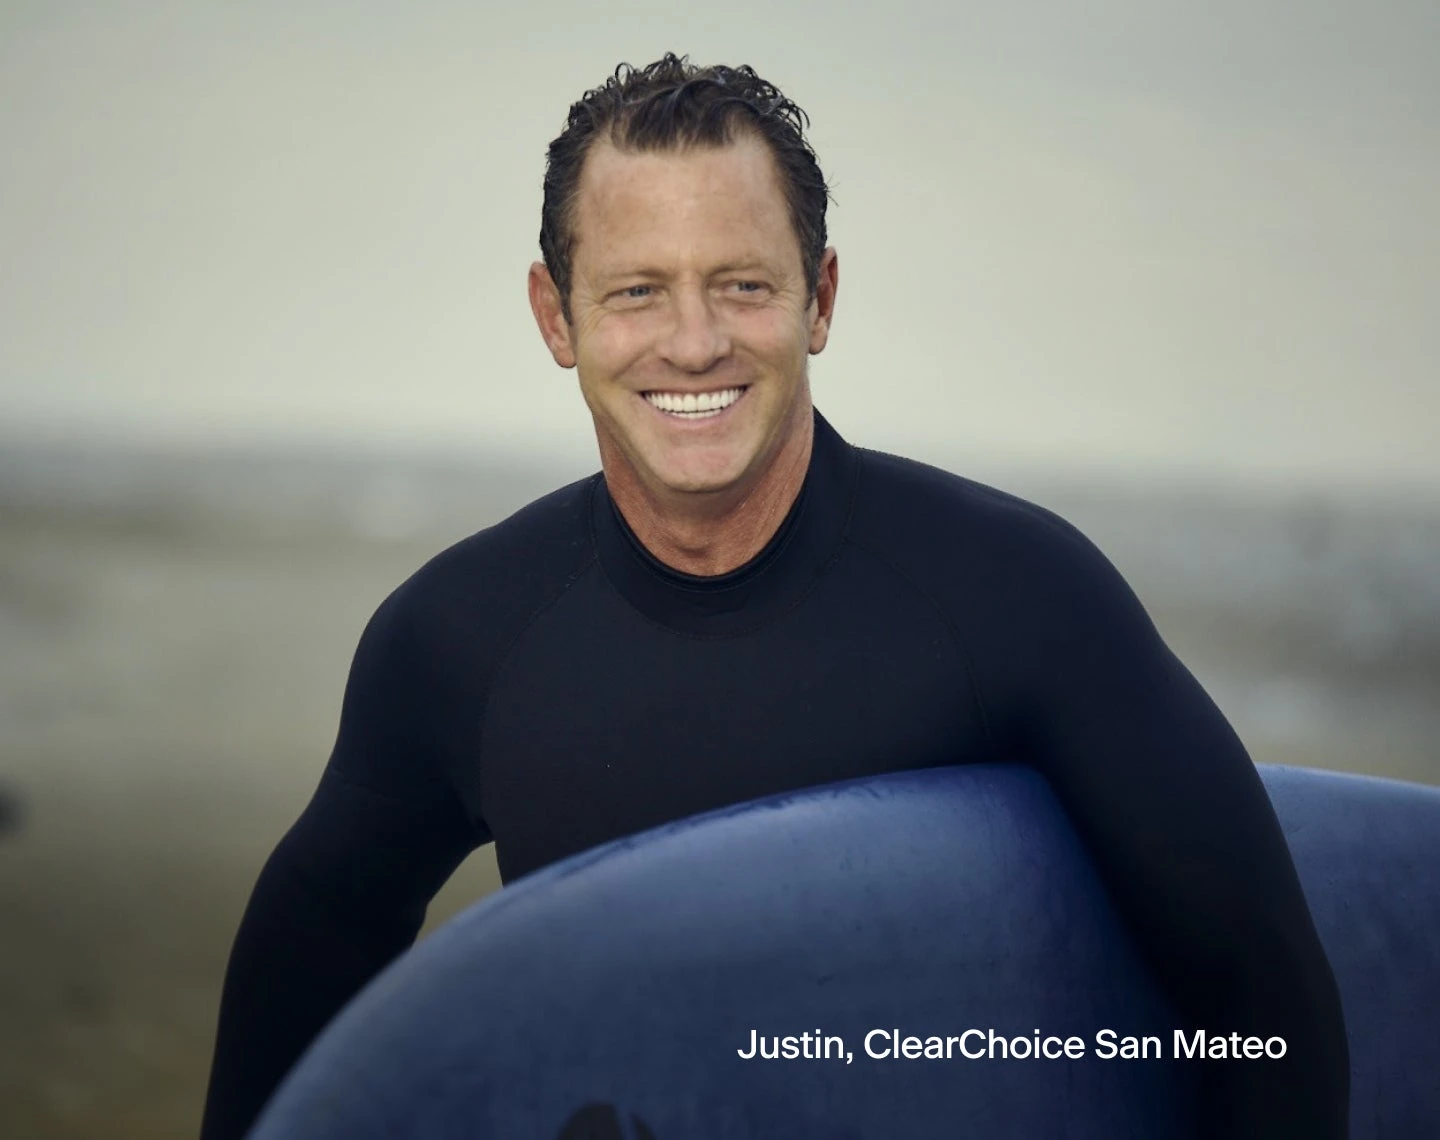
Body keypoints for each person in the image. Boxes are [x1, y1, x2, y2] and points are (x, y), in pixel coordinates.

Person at [200, 53, 1349, 1139]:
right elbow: (312, 955)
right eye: (637, 291)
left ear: (820, 299)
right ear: (558, 318)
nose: (693, 343)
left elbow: (1260, 989)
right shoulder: (460, 641)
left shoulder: (1016, 601)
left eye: (742, 285)